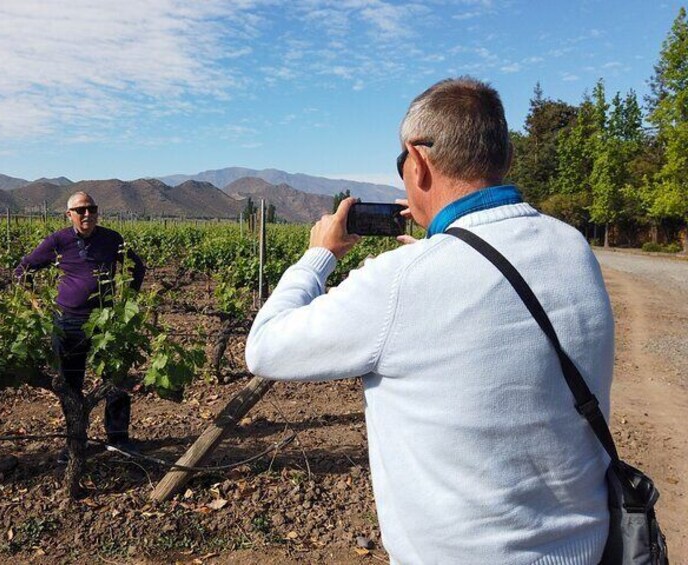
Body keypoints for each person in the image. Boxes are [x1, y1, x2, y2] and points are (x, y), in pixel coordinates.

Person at [245, 77, 614, 564]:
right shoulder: (571, 246)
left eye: (401, 165)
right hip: (591, 550)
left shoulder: (401, 280)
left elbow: (265, 347)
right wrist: (442, 259)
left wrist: (320, 255)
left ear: (418, 162)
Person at [16, 192, 146, 459]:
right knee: (70, 384)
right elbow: (23, 270)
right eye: (81, 210)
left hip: (106, 321)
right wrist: (36, 305)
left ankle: (118, 439)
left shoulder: (111, 239)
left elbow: (137, 267)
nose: (87, 214)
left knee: (115, 379)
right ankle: (76, 442)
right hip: (68, 322)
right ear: (69, 214)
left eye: (92, 208)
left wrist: (127, 301)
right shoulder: (58, 241)